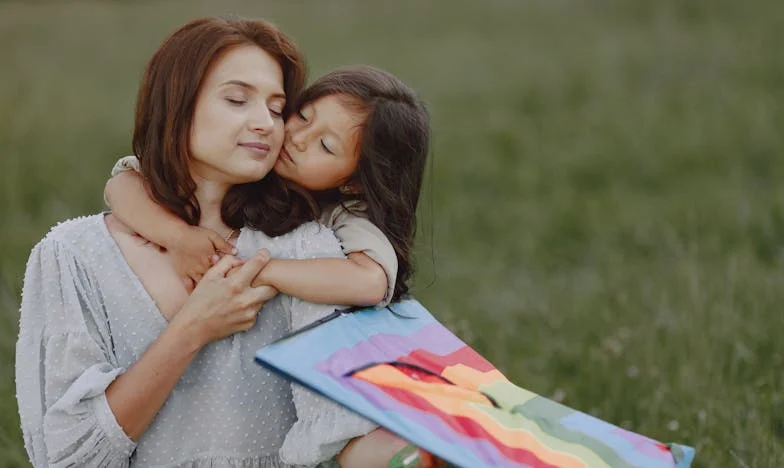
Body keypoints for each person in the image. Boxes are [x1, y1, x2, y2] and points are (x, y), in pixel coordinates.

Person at [14, 16, 380, 467]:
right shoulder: (74, 255)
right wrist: (193, 328)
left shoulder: (307, 252)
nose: (265, 124)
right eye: (237, 99)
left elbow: (346, 433)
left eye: (276, 108)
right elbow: (71, 458)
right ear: (177, 103)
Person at [104, 66, 438, 467]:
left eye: (325, 146)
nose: (298, 138)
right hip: (207, 372)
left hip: (312, 378)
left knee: (323, 281)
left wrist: (261, 270)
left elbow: (368, 280)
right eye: (303, 116)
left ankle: (366, 445)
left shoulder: (343, 214)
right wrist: (178, 238)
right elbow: (122, 184)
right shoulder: (250, 162)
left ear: (353, 182)